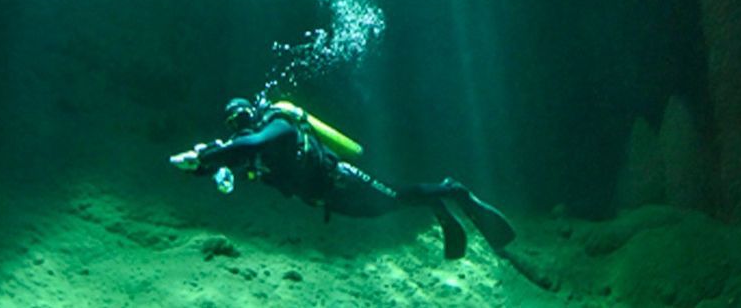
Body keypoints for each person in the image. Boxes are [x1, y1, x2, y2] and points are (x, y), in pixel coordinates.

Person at [170, 97, 515, 259]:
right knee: (385, 209)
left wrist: (206, 155)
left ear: (253, 112)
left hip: (343, 180)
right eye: (231, 123)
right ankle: (434, 201)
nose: (238, 125)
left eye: (241, 117)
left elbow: (249, 143)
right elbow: (233, 162)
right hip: (330, 199)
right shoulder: (256, 159)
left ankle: (454, 191)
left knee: (394, 197)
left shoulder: (278, 126)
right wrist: (200, 168)